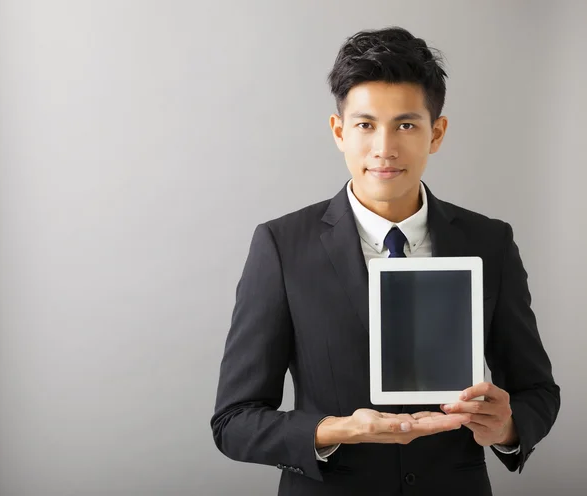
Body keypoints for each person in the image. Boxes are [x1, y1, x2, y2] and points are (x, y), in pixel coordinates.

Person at [210, 26, 560, 496]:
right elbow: (234, 420)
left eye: (407, 125)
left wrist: (507, 428)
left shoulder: (489, 242)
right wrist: (338, 430)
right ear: (339, 131)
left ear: (436, 133)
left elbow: (537, 390)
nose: (384, 148)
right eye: (365, 124)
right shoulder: (281, 246)